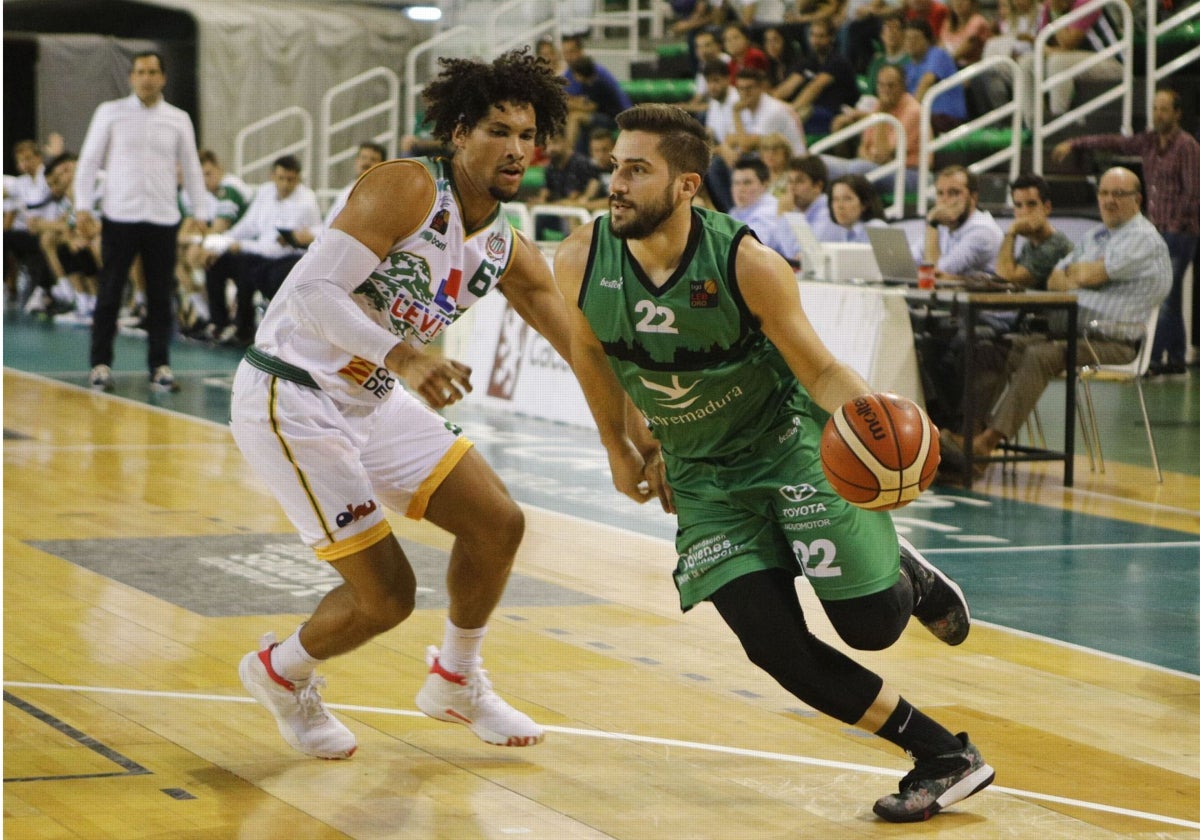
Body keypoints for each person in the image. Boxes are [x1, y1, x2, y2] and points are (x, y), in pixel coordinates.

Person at [553, 102, 994, 823]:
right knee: (773, 647)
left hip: (788, 451)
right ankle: (944, 756)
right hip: (703, 480)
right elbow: (593, 351)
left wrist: (876, 427)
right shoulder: (580, 258)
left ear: (688, 184)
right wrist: (623, 443)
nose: (618, 184)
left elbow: (820, 371)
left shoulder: (746, 263)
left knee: (871, 630)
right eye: (615, 168)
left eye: (638, 169)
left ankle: (905, 574)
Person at [230, 49, 573, 760]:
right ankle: (280, 672)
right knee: (386, 598)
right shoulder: (407, 188)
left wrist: (630, 432)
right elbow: (310, 296)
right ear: (458, 133)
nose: (516, 148)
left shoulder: (506, 245)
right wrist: (408, 356)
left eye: (526, 134)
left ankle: (455, 678)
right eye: (498, 130)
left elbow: (583, 347)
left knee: (498, 522)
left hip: (374, 395)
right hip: (291, 390)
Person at [942, 167, 1171, 462]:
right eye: (1103, 193)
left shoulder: (1143, 237)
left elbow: (1092, 274)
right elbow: (1055, 279)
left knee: (1040, 355)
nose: (1109, 200)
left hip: (1116, 341)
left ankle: (987, 444)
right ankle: (966, 440)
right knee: (995, 348)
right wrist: (1080, 274)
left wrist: (1081, 273)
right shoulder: (1095, 236)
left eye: (1118, 194)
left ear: (1137, 200)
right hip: (1074, 333)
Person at [74, 52, 207, 392]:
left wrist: (201, 212)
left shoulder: (178, 119)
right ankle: (100, 364)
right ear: (131, 77)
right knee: (110, 291)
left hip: (162, 218)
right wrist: (83, 207)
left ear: (163, 78)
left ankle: (160, 365)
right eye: (140, 72)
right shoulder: (111, 112)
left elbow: (192, 167)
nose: (146, 78)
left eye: (153, 72)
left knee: (161, 295)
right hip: (120, 216)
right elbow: (88, 161)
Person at [1052, 88, 1200, 376]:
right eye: (1155, 108)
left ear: (1178, 113)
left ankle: (1160, 356)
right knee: (1167, 297)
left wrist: (1172, 225)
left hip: (1179, 231)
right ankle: (1168, 356)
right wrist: (1077, 142)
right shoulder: (1148, 141)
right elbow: (1116, 143)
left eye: (1164, 109)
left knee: (1167, 295)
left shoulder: (1188, 146)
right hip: (1154, 227)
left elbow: (1193, 192)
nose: (1158, 114)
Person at [198, 154, 323, 347]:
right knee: (218, 262)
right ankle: (219, 324)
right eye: (281, 178)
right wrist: (222, 242)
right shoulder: (265, 193)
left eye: (290, 179)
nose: (285, 184)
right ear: (272, 176)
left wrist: (241, 246)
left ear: (297, 179)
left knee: (251, 270)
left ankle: (246, 329)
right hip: (260, 252)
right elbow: (248, 226)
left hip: (287, 257)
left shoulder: (306, 201)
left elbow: (276, 247)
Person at [822, 65, 925, 195]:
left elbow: (882, 155)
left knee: (858, 169)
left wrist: (882, 113)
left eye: (891, 86)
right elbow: (862, 149)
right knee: (820, 164)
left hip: (909, 173)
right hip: (874, 165)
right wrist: (871, 158)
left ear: (903, 86)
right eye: (881, 85)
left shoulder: (913, 111)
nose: (885, 90)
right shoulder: (879, 105)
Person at [772, 18, 860, 136]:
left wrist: (792, 110)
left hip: (834, 112)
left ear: (831, 38)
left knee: (790, 119)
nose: (816, 40)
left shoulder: (838, 61)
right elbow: (788, 87)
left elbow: (814, 88)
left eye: (821, 36)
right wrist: (768, 103)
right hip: (814, 111)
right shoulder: (809, 60)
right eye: (813, 35)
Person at [919, 165, 1004, 277]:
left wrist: (932, 223)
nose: (944, 200)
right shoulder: (944, 225)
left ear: (973, 197)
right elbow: (912, 259)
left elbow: (935, 273)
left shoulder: (983, 231)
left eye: (953, 193)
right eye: (940, 193)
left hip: (981, 294)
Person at [994, 173, 1072, 289]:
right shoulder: (1030, 245)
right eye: (1018, 205)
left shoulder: (1054, 247)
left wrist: (1012, 231)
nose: (1024, 212)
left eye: (1031, 204)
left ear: (1047, 208)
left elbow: (1007, 278)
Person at [729, 156, 801, 260]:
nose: (740, 189)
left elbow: (747, 251)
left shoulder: (769, 211)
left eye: (747, 183)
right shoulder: (736, 211)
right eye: (736, 183)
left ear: (765, 185)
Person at [904, 20, 968, 134]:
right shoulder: (907, 67)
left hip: (947, 117)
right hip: (925, 117)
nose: (911, 42)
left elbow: (926, 82)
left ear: (927, 41)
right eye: (907, 38)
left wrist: (907, 116)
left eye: (915, 38)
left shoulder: (938, 54)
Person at [324, 141, 386, 227]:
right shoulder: (346, 192)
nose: (367, 163)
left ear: (382, 166)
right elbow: (328, 224)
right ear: (356, 161)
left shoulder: (384, 196)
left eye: (373, 160)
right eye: (363, 158)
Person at [787, 154, 839, 239]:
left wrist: (782, 215)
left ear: (818, 186)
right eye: (790, 181)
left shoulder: (829, 213)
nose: (792, 187)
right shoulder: (796, 209)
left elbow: (806, 251)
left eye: (799, 181)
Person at [823, 173, 888, 242]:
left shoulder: (877, 227)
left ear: (864, 204)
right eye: (835, 199)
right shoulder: (837, 232)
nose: (839, 206)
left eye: (847, 199)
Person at [939, 0, 991, 68]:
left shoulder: (978, 21)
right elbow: (940, 48)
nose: (958, 2)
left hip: (973, 70)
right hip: (951, 67)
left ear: (973, 3)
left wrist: (940, 62)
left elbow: (960, 53)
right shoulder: (948, 23)